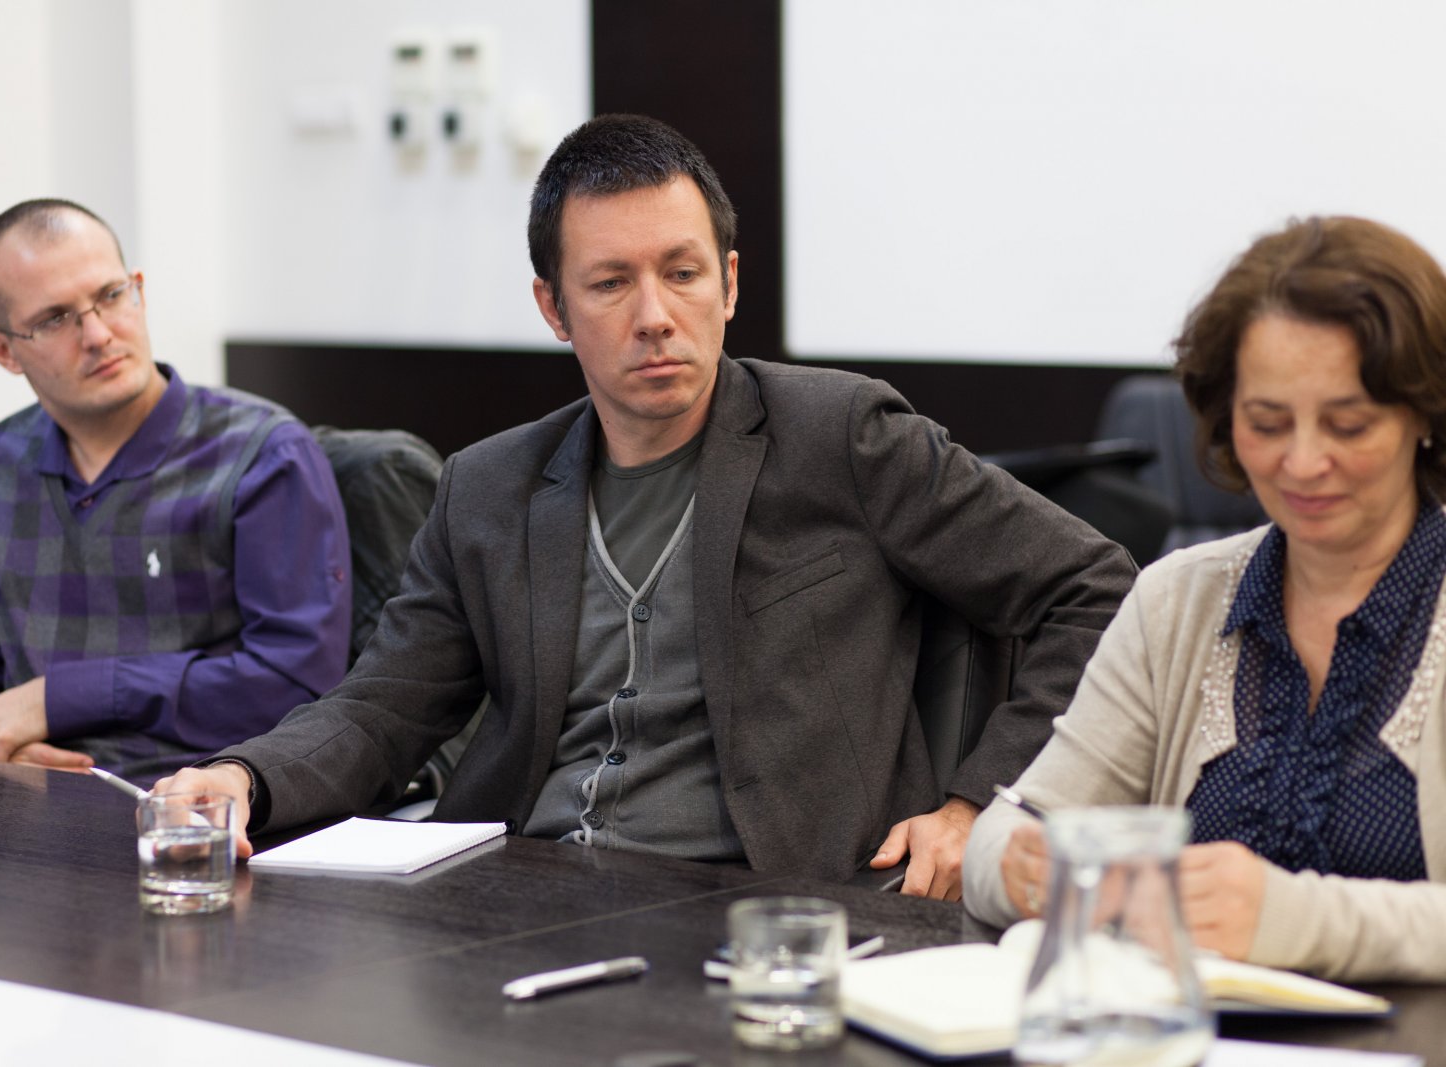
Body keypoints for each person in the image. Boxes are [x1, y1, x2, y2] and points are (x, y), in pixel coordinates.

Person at [160, 115, 1134, 894]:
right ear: (553, 307)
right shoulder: (488, 487)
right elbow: (384, 705)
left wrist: (984, 805)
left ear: (729, 282)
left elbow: (1092, 587)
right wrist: (246, 776)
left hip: (767, 902)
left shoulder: (839, 435)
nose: (656, 316)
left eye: (682, 272)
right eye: (611, 283)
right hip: (512, 891)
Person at [964, 215, 1446, 982]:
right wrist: (1026, 870)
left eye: (1348, 424)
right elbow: (1011, 831)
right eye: (1267, 422)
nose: (1303, 461)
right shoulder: (1177, 600)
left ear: (1424, 413)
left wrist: (1293, 919)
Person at [0, 199, 353, 784]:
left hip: (207, 801)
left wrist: (59, 697)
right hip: (25, 797)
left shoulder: (264, 457)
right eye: (55, 319)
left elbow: (297, 686)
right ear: (4, 351)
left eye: (112, 295)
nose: (98, 334)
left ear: (138, 289)